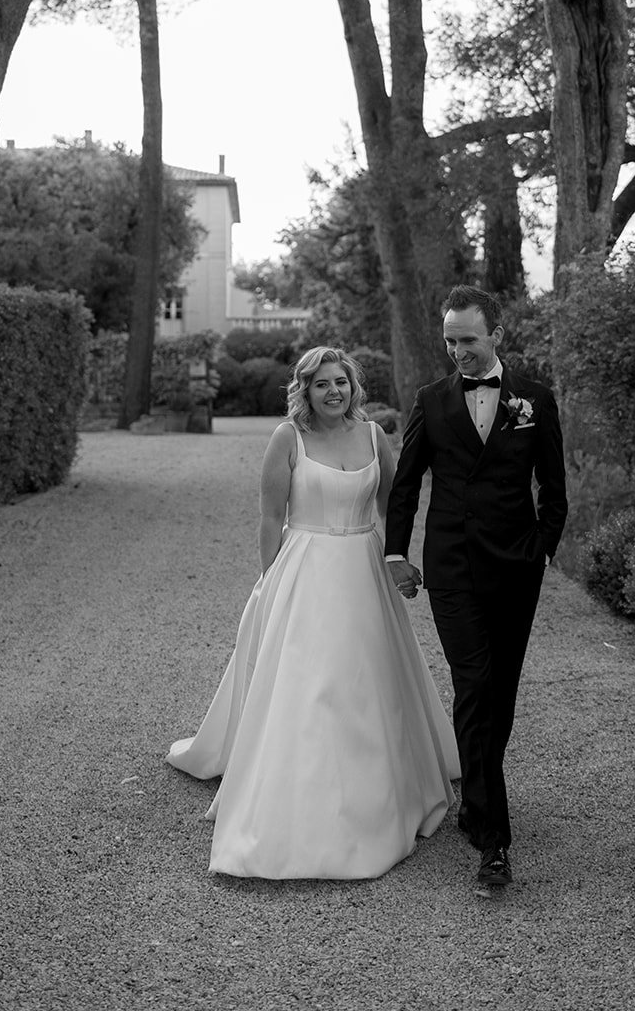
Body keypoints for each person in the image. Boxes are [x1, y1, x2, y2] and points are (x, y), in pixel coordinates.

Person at [167, 346, 460, 880]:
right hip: (306, 566)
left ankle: (382, 787)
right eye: (322, 384)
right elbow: (269, 516)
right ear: (306, 390)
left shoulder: (373, 435)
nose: (334, 392)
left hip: (364, 569)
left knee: (369, 678)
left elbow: (394, 503)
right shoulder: (289, 438)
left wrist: (398, 558)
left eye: (341, 383)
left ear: (354, 387)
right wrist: (268, 579)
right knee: (313, 683)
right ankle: (305, 796)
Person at [385, 284, 567, 894]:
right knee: (476, 684)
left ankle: (475, 802)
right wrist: (395, 552)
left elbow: (555, 490)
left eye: (467, 339)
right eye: (449, 340)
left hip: (516, 568)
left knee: (502, 694)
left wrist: (541, 547)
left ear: (496, 337)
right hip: (453, 569)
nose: (457, 351)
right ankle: (495, 843)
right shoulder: (431, 402)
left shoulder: (535, 400)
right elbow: (406, 484)